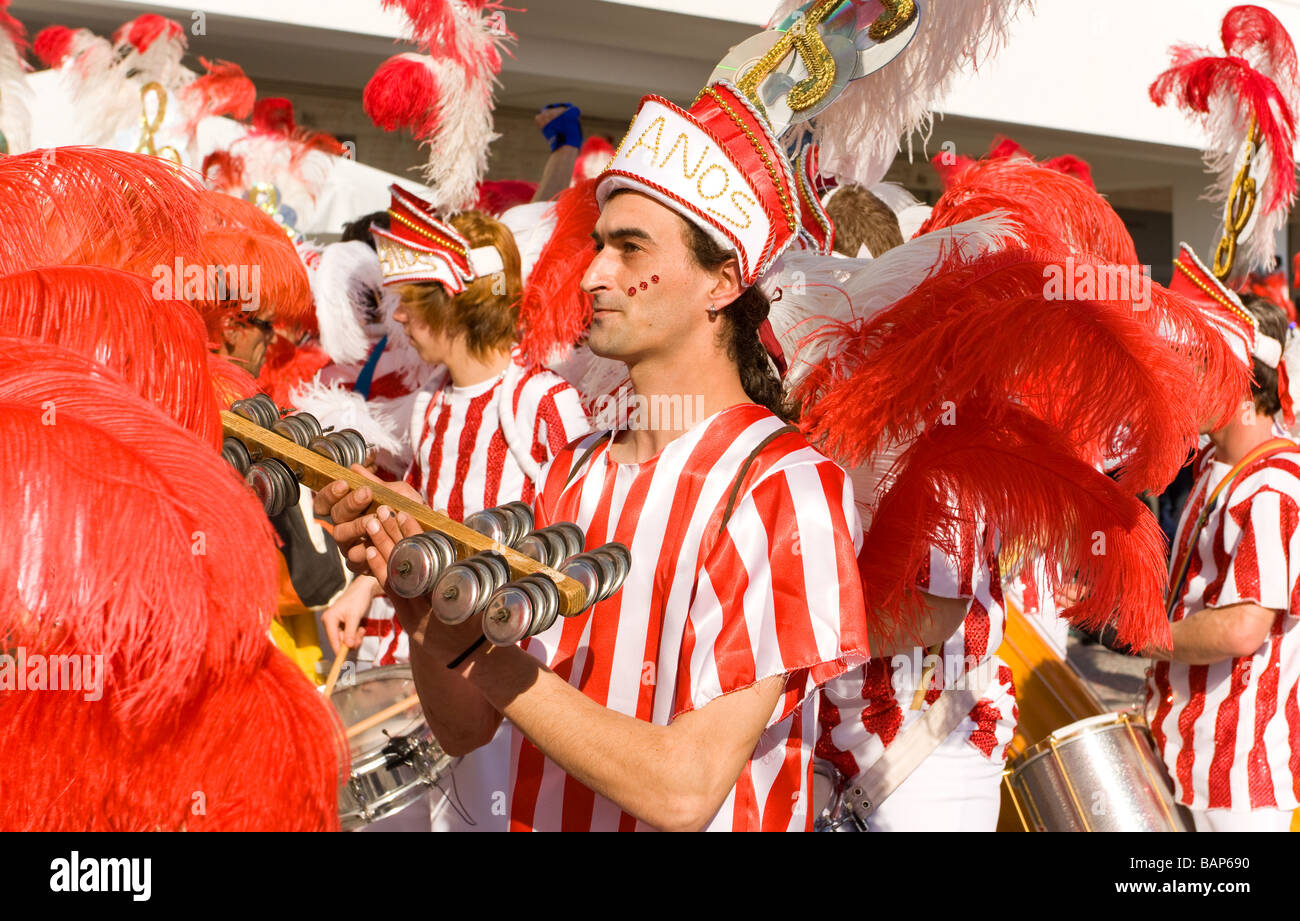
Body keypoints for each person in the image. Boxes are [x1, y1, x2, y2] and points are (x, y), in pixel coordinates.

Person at [317, 77, 872, 831]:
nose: (592, 273)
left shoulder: (787, 486)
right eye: (598, 243)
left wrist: (478, 653)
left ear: (723, 281)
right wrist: (417, 596)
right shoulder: (575, 469)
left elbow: (686, 787)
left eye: (629, 247)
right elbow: (467, 728)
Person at [321, 187, 589, 832]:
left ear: (452, 305)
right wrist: (362, 587)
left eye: (412, 306)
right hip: (427, 650)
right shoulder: (436, 401)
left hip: (505, 665)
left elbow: (575, 544)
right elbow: (413, 517)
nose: (402, 323)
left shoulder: (538, 399)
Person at [1145, 277, 1300, 832]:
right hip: (1188, 758)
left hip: (1240, 784)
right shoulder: (1216, 466)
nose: (1183, 382)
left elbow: (1241, 630)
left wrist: (1144, 635)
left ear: (1241, 383)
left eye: (1199, 367)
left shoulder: (1275, 487)